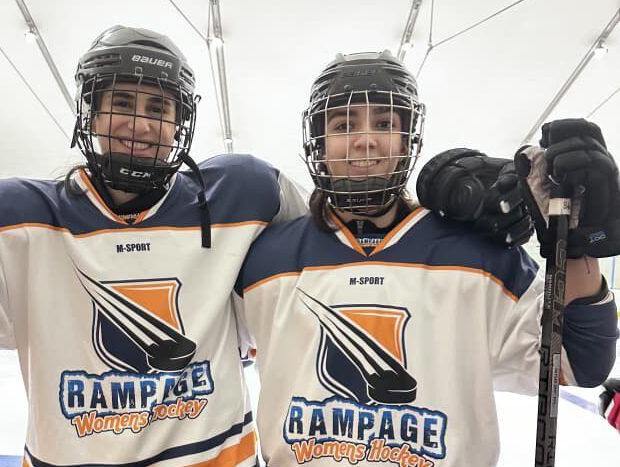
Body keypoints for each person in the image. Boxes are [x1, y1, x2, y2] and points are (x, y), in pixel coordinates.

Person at [0, 5, 305, 466]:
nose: (140, 124)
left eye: (158, 108)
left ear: (181, 122)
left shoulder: (244, 197)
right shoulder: (18, 217)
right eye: (122, 103)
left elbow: (331, 250)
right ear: (90, 114)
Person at [234, 51, 618, 466]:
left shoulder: (476, 254)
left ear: (407, 140)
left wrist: (576, 243)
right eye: (344, 125)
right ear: (319, 142)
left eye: (385, 123)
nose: (365, 140)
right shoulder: (266, 258)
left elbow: (580, 361)